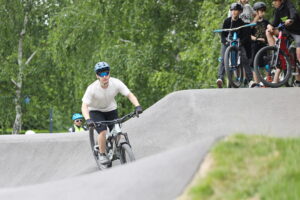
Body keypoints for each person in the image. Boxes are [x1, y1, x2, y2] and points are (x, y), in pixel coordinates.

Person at [81, 61, 143, 164]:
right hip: (95, 111)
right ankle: (101, 154)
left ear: (109, 73)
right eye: (101, 74)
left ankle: (121, 148)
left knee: (117, 131)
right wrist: (88, 119)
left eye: (106, 73)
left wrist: (137, 106)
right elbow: (84, 106)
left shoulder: (116, 83)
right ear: (97, 75)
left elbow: (129, 95)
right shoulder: (92, 88)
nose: (104, 76)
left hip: (111, 109)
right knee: (103, 132)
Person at [266, 0, 300, 86]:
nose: (273, 3)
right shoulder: (278, 10)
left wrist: (291, 19)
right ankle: (275, 50)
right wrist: (270, 25)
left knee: (299, 52)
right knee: (268, 31)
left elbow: (294, 13)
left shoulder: (288, 4)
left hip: (297, 32)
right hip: (286, 32)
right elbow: (274, 23)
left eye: (275, 1)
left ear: (280, 1)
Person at [216, 3, 249, 88]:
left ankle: (250, 79)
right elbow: (223, 35)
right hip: (227, 43)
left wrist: (241, 43)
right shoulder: (227, 21)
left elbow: (245, 37)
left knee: (244, 58)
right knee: (223, 58)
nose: (234, 12)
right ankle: (220, 78)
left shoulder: (242, 23)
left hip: (238, 43)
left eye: (236, 10)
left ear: (240, 12)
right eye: (232, 10)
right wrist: (225, 42)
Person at [249, 2, 270, 87]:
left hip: (264, 45)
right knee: (255, 64)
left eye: (264, 11)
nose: (263, 13)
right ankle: (257, 82)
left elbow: (270, 30)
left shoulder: (266, 22)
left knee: (267, 63)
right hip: (255, 45)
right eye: (261, 11)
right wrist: (257, 38)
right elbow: (249, 35)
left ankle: (268, 80)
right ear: (256, 12)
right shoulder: (253, 23)